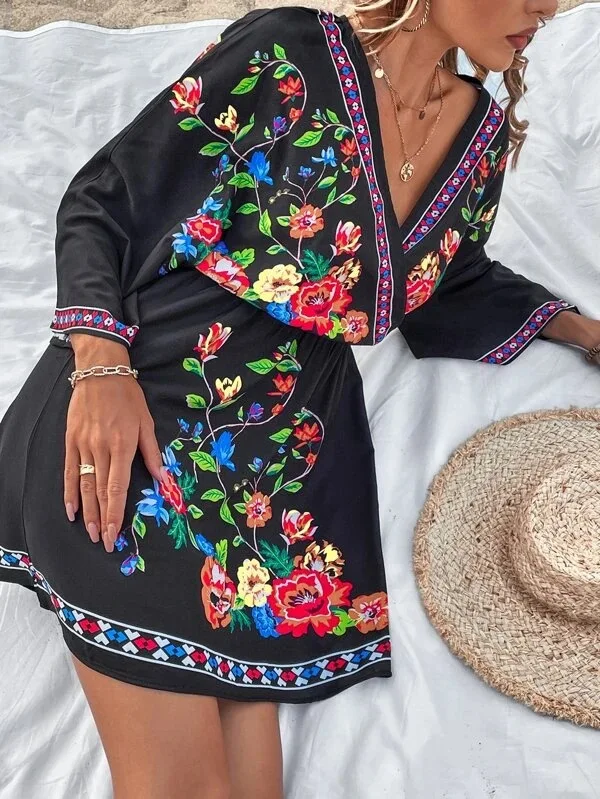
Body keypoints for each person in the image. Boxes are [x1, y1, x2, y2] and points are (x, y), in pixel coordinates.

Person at [0, 0, 598, 796]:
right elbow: (104, 199)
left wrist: (585, 332)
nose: (545, 8)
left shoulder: (478, 139)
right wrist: (100, 365)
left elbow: (450, 283)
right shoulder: (290, 52)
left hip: (270, 485)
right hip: (140, 405)